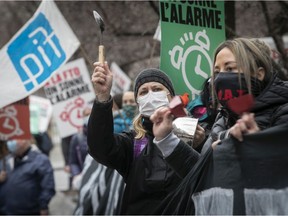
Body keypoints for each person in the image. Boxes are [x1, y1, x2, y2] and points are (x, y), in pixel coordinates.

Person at [88, 63, 203, 214]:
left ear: (171, 97)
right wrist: (102, 99)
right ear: (138, 103)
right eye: (143, 92)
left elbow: (206, 180)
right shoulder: (132, 142)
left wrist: (200, 146)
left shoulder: (194, 133)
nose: (150, 95)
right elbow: (100, 148)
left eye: (157, 89)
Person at [199, 37, 288, 152]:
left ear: (258, 74)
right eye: (217, 72)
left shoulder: (283, 113)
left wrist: (255, 146)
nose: (220, 77)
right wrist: (170, 141)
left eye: (230, 68)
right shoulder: (224, 117)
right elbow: (202, 168)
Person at [1, 138, 55, 215]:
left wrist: (43, 206)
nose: (10, 142)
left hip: (28, 211)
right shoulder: (6, 160)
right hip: (6, 211)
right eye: (9, 139)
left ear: (25, 140)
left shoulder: (40, 160)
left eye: (15, 139)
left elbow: (48, 186)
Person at [68, 107, 91, 190]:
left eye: (91, 114)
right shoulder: (77, 138)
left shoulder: (104, 134)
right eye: (87, 115)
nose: (89, 117)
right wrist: (76, 174)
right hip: (83, 178)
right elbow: (73, 161)